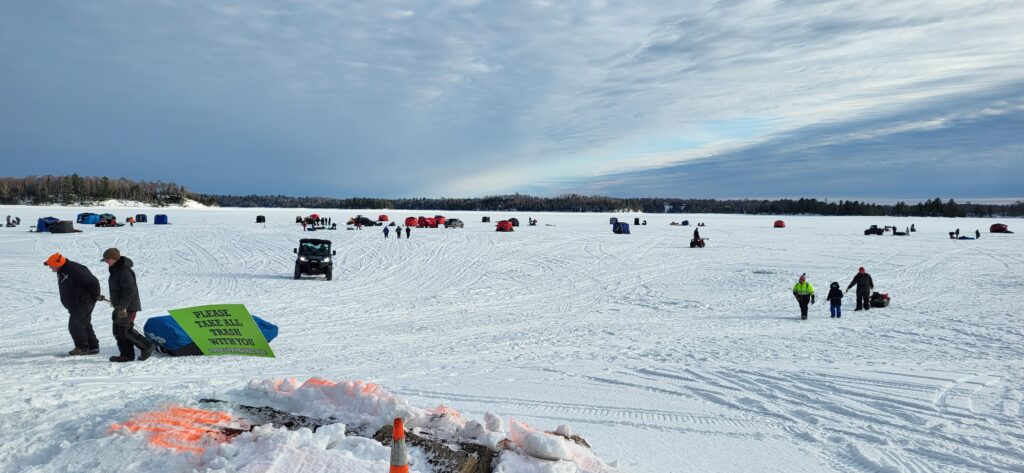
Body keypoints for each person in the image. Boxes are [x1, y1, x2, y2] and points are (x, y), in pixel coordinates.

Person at [102, 248, 153, 362]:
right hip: (120, 306)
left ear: (114, 259)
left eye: (107, 259)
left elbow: (130, 290)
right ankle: (126, 355)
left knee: (125, 331)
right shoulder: (116, 269)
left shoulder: (124, 271)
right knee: (118, 331)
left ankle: (147, 346)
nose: (106, 262)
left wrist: (123, 307)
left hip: (127, 306)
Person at [46, 252, 101, 356]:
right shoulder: (62, 270)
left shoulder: (74, 269)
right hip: (76, 303)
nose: (49, 267)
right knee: (84, 323)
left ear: (57, 264)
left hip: (84, 301)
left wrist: (96, 295)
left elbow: (93, 281)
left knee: (75, 324)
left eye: (51, 265)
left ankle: (82, 347)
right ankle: (93, 347)